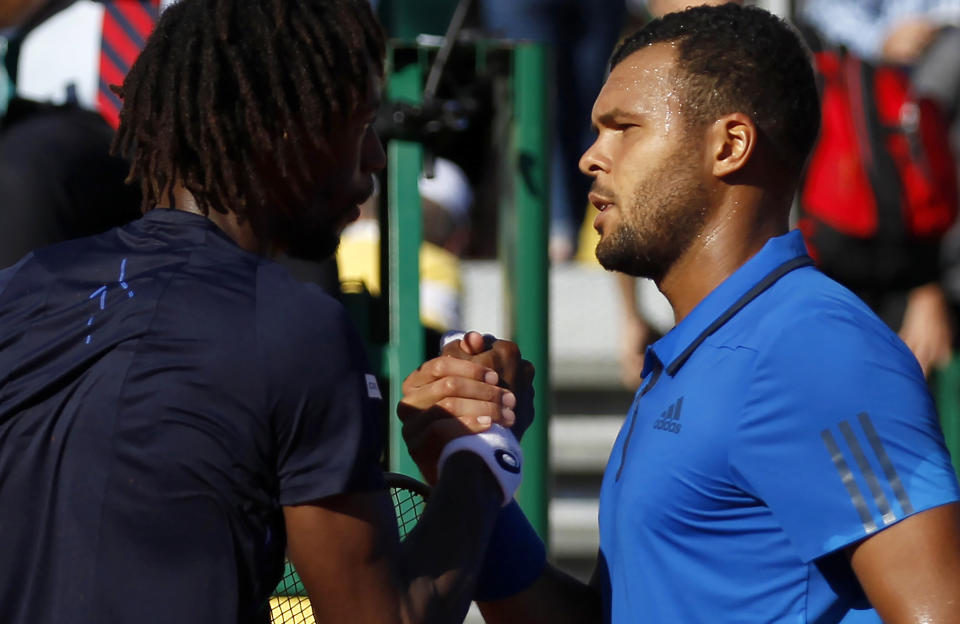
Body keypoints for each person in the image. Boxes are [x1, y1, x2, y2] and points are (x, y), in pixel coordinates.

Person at [402, 5, 960, 622]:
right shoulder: (695, 354)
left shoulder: (816, 348)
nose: (591, 156)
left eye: (624, 128)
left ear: (729, 145)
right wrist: (473, 465)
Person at [0, 1, 530, 622]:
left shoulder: (17, 289)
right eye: (359, 127)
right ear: (287, 130)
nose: (376, 160)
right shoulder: (295, 328)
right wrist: (483, 452)